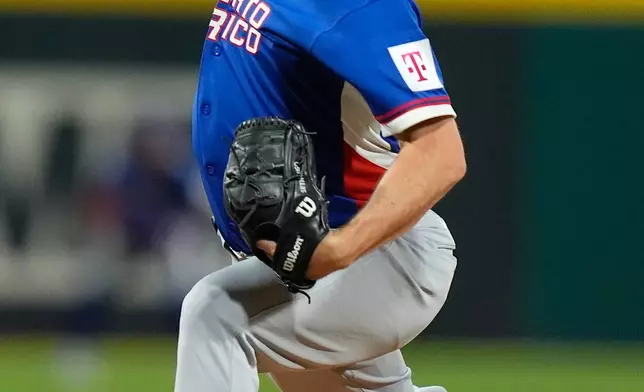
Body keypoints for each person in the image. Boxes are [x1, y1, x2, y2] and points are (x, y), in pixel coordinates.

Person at [174, 0, 466, 391]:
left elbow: (442, 153)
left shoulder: (364, 8)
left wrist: (341, 249)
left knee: (217, 315)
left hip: (371, 253)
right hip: (298, 255)